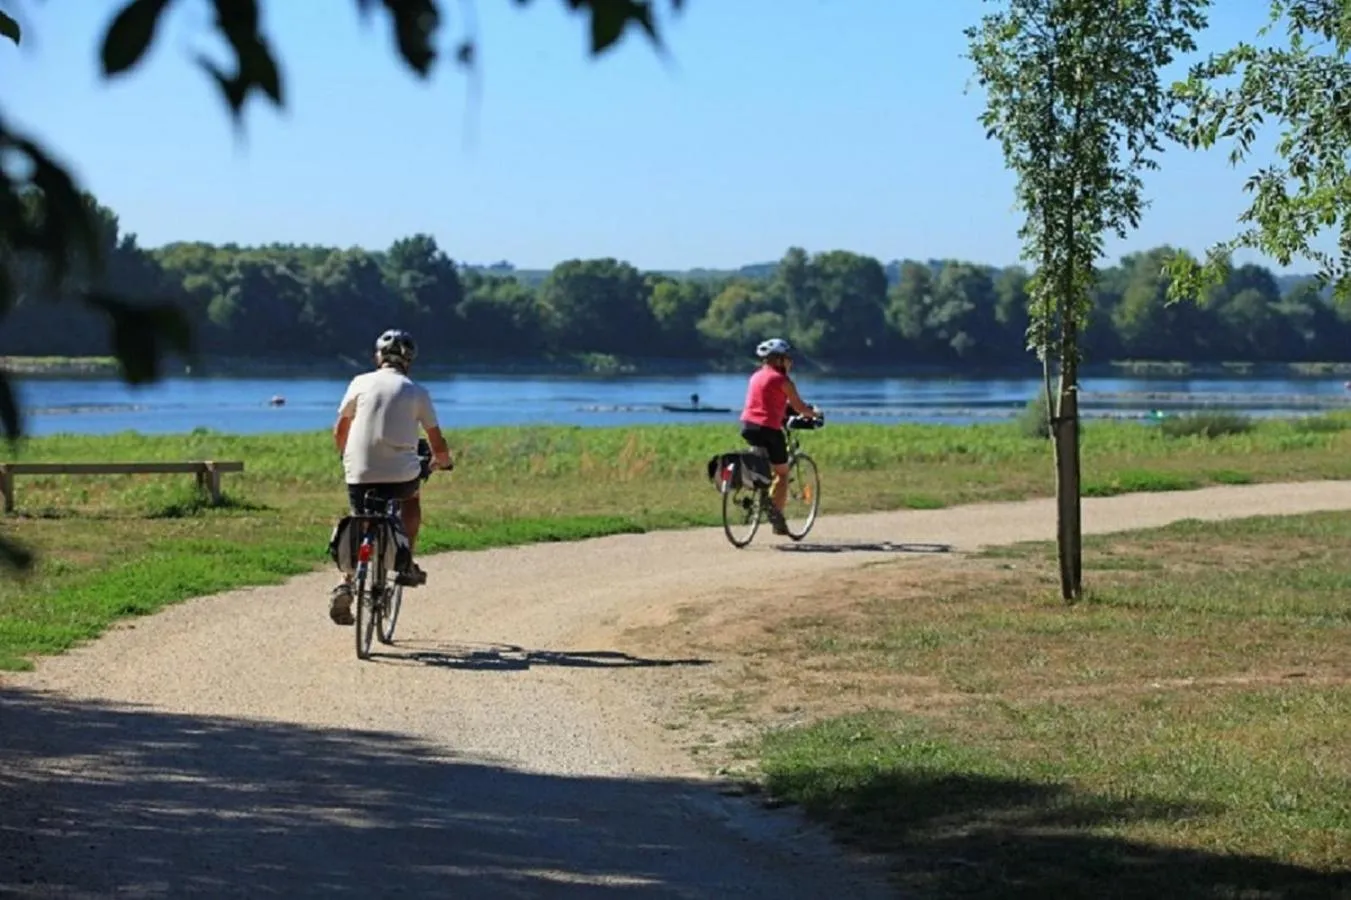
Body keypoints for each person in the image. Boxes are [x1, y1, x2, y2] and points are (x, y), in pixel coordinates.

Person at [329, 329, 453, 626]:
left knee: (361, 515)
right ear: (409, 361)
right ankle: (405, 560)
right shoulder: (417, 392)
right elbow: (437, 443)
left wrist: (347, 458)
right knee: (411, 498)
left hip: (358, 471)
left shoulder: (359, 382)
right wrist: (443, 462)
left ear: (378, 357)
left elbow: (340, 430)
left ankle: (347, 581)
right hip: (400, 475)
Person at [738, 337, 819, 535]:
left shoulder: (756, 376)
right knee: (782, 473)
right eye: (787, 358)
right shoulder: (783, 381)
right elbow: (800, 407)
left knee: (762, 461)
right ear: (779, 360)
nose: (790, 362)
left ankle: (758, 487)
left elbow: (769, 402)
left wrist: (785, 411)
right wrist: (814, 414)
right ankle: (775, 515)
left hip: (748, 426)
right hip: (769, 429)